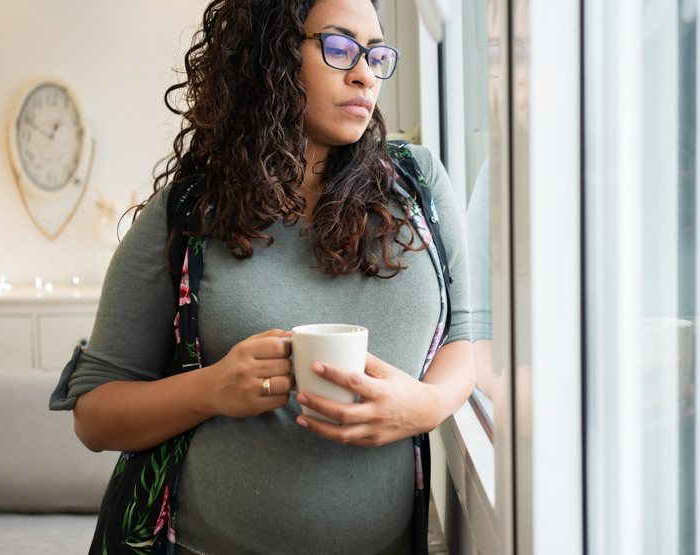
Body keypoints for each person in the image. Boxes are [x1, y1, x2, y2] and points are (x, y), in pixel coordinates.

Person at [48, 0, 474, 553]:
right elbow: (94, 415)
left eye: (376, 53)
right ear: (269, 56)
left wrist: (425, 406)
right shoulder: (186, 216)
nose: (365, 73)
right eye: (339, 47)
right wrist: (211, 389)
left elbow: (466, 337)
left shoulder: (419, 187)